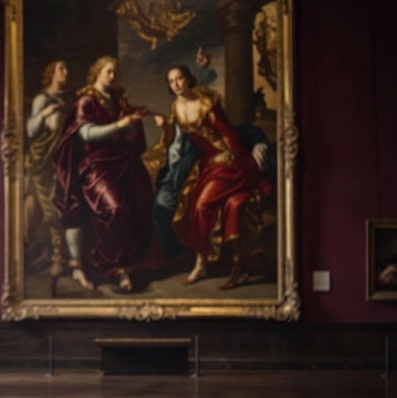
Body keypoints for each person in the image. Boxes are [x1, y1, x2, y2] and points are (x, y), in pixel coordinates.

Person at [50, 55, 164, 293]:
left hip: (122, 162)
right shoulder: (85, 101)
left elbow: (130, 128)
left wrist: (136, 123)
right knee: (115, 208)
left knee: (141, 202)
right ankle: (118, 269)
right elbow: (86, 134)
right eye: (108, 72)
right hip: (95, 166)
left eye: (115, 73)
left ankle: (132, 265)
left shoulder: (117, 100)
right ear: (97, 72)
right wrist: (120, 126)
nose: (112, 77)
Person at [155, 65, 273, 290]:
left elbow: (229, 132)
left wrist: (229, 156)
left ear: (188, 79)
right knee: (191, 201)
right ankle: (203, 261)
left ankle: (202, 263)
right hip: (210, 164)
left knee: (201, 205)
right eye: (171, 81)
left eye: (179, 79)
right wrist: (164, 127)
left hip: (232, 163)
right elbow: (171, 139)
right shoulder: (176, 107)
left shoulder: (206, 103)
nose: (176, 84)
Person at [24, 60, 69, 276]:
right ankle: (56, 256)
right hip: (42, 161)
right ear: (51, 73)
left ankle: (53, 254)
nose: (66, 72)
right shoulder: (43, 99)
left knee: (53, 204)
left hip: (59, 159)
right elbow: (31, 130)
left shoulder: (67, 100)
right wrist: (44, 113)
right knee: (47, 206)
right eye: (62, 69)